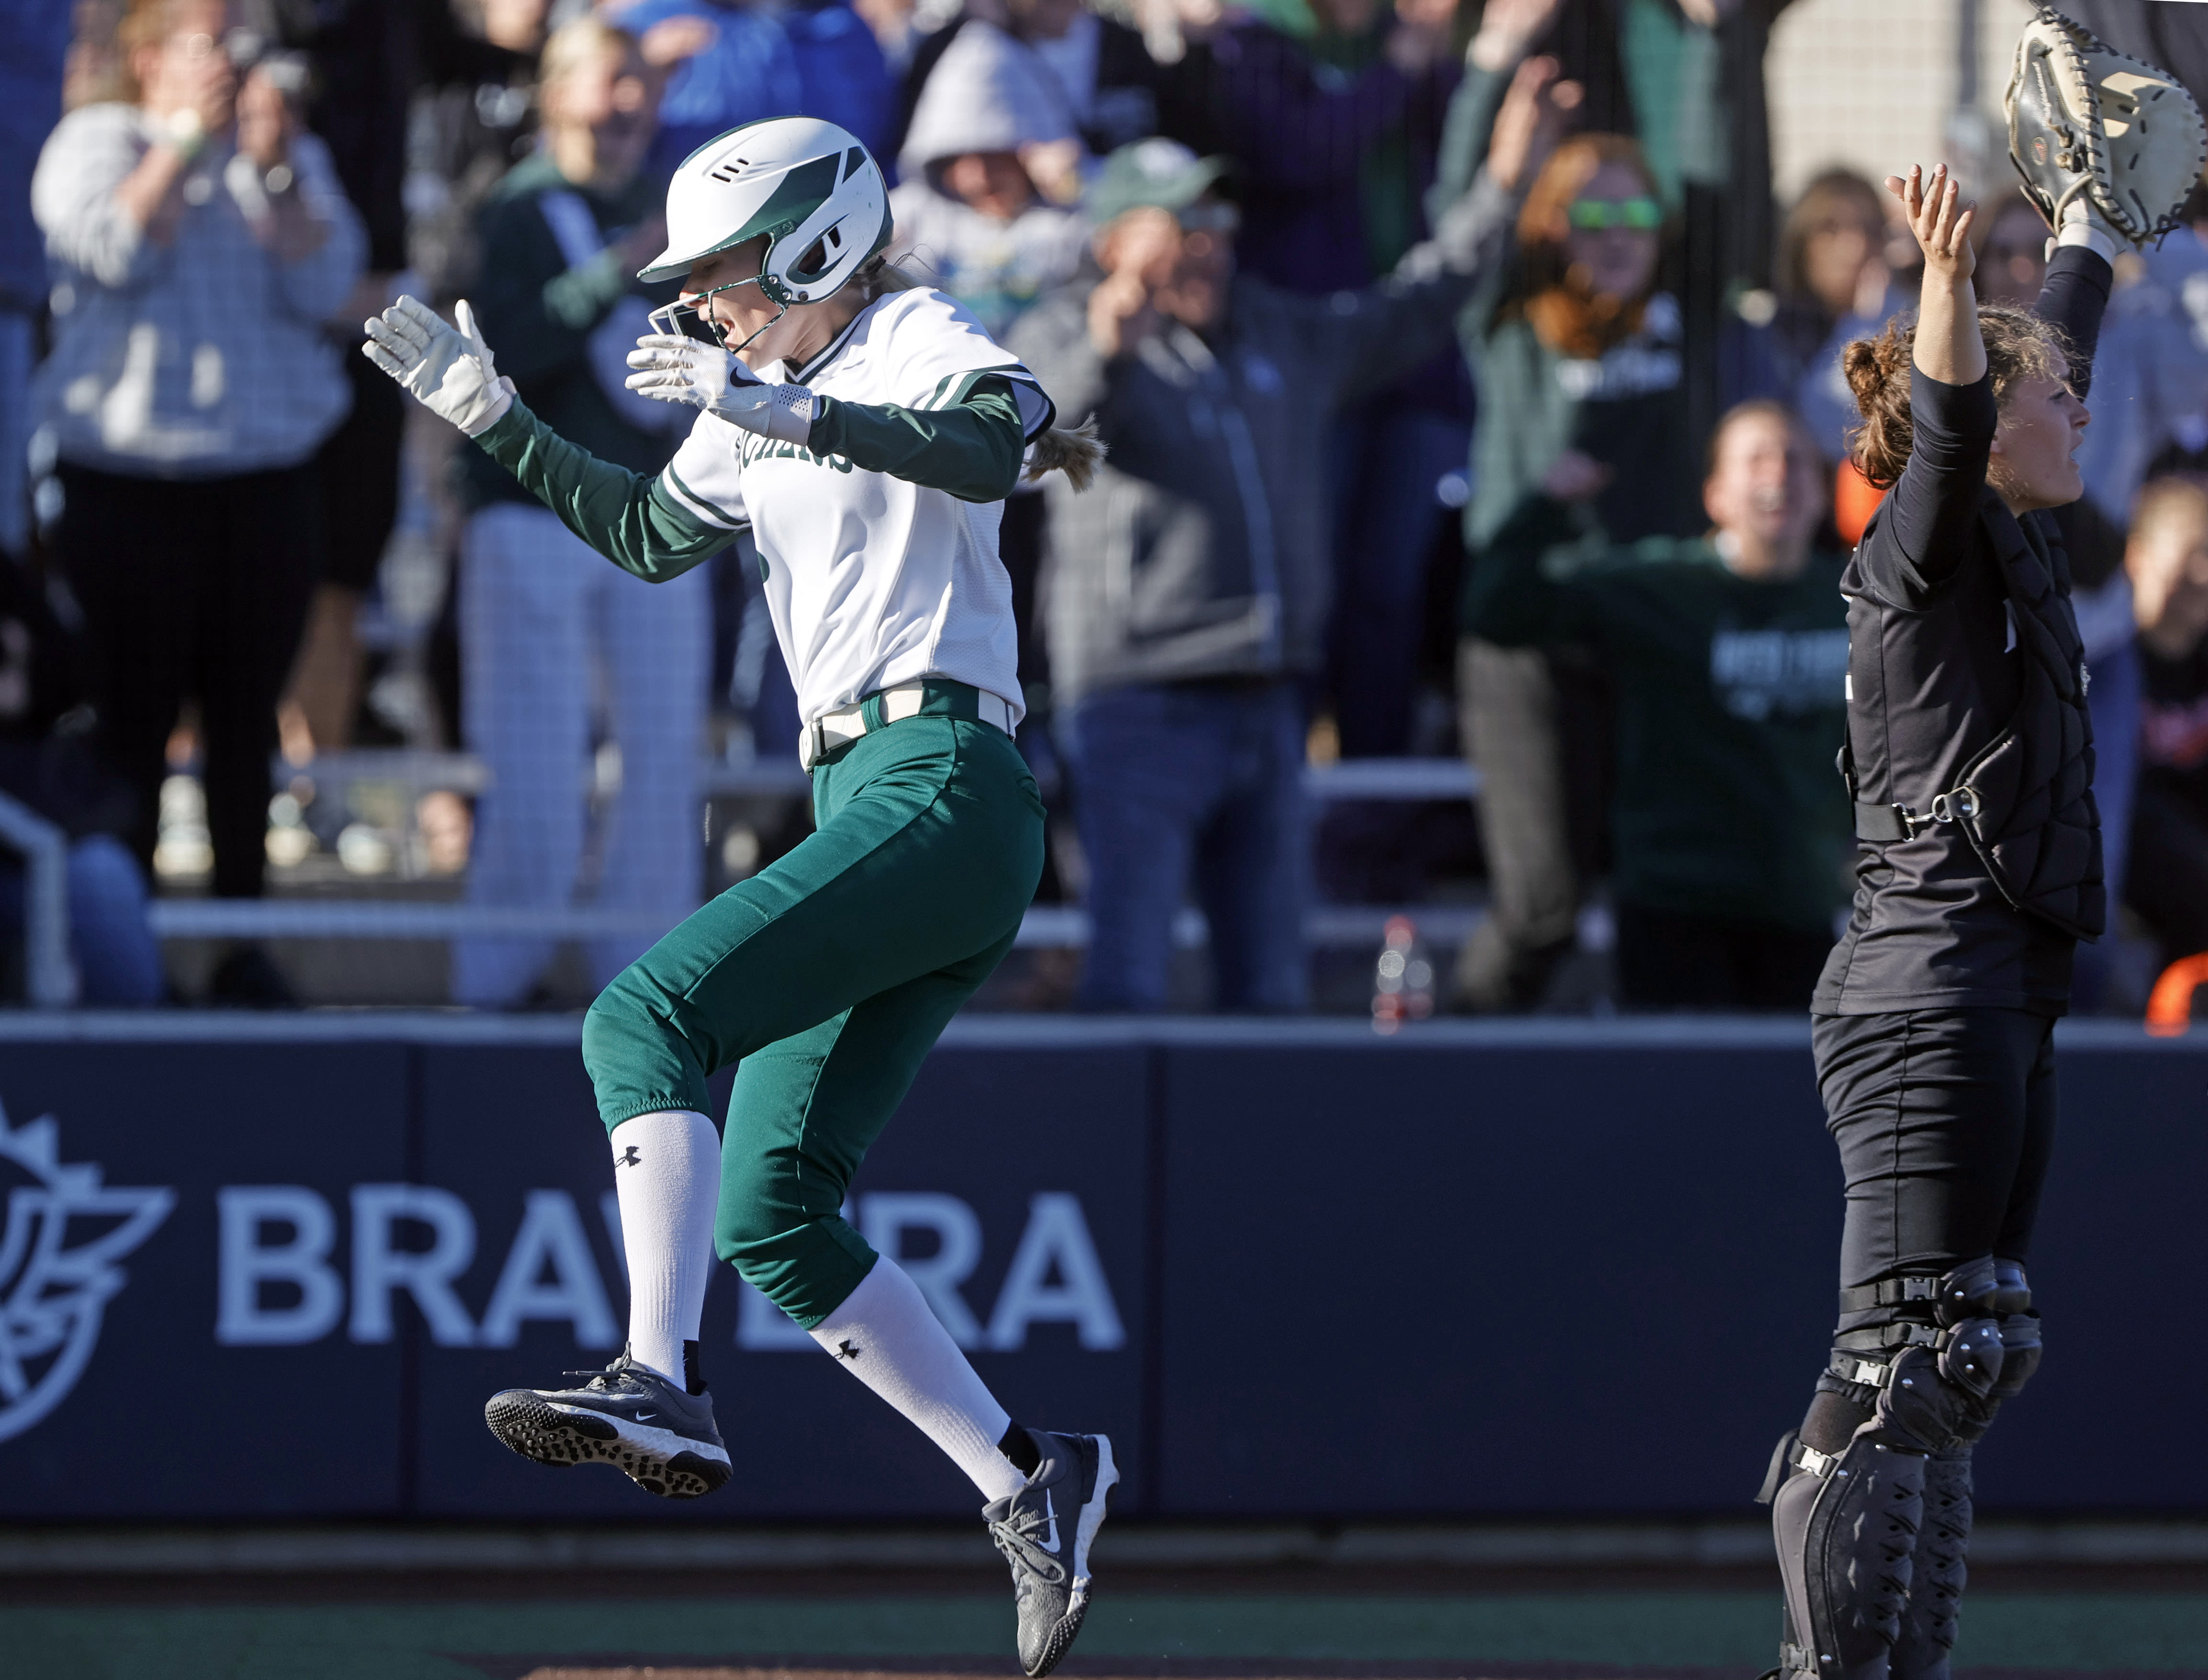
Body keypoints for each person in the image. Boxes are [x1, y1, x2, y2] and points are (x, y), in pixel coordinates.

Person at [363, 116, 1111, 1677]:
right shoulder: (751, 386)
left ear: (820, 243)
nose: (702, 303)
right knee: (773, 1216)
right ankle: (1033, 1481)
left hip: (944, 778)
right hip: (867, 793)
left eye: (723, 272)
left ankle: (656, 1374)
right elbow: (645, 537)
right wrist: (490, 412)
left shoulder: (910, 332)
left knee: (640, 1015)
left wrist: (782, 399)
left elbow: (995, 440)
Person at [1758, 157, 2123, 1680]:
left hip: (1996, 985)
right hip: (1922, 992)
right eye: (2051, 395)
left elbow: (2045, 359)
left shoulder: (2016, 542)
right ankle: (1825, 1660)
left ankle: (1900, 1659)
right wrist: (1942, 273)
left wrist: (2094, 227)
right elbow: (1962, 413)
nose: (2077, 406)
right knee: (1899, 1347)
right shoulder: (1918, 550)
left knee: (1969, 1351)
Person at [1007, 58, 1564, 1014]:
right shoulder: (1064, 338)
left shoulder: (1281, 335)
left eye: (1217, 222)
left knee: (1271, 990)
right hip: (1136, 706)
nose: (1206, 245)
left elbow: (1417, 305)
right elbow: (1024, 444)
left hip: (1269, 700)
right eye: (1178, 225)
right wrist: (1106, 345)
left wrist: (1502, 187)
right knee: (1127, 978)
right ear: (1114, 243)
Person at [32, 0, 365, 1003]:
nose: (229, 63)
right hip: (127, 487)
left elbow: (330, 284)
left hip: (262, 485)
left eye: (239, 43)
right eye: (204, 43)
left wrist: (271, 165)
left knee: (244, 727)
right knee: (129, 723)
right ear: (148, 57)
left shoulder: (282, 152)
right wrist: (180, 143)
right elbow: (112, 252)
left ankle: (240, 943)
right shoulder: (96, 140)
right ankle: (125, 953)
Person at [1437, 30, 1698, 1010]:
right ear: (1553, 228)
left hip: (1646, 633)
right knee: (1544, 903)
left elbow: (1712, 181)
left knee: (1656, 889)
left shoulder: (1683, 321)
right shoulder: (1507, 322)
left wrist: (1704, 45)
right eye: (1591, 212)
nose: (1618, 229)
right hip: (1527, 640)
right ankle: (1459, 1064)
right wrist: (1486, 70)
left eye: (1636, 210)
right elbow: (1458, 231)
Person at [449, 16, 704, 1010]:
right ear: (555, 95)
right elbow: (499, 351)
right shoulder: (515, 210)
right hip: (530, 517)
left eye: (641, 84)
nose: (628, 106)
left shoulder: (662, 203)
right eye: (608, 83)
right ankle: (497, 979)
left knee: (661, 765)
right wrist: (620, 266)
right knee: (538, 769)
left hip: (649, 516)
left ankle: (644, 987)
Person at [1463, 400, 1849, 1010]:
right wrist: (1544, 506)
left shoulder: (1855, 604)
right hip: (1676, 911)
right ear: (1716, 496)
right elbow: (1498, 611)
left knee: (1791, 1103)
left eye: (1796, 459)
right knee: (1682, 1100)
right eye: (1757, 459)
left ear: (1823, 491)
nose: (1779, 475)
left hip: (1798, 909)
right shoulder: (1662, 587)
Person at [2122, 475, 2208, 976]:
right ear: (2139, 557)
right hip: (2130, 861)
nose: (2203, 573)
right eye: (2191, 554)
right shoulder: (2103, 666)